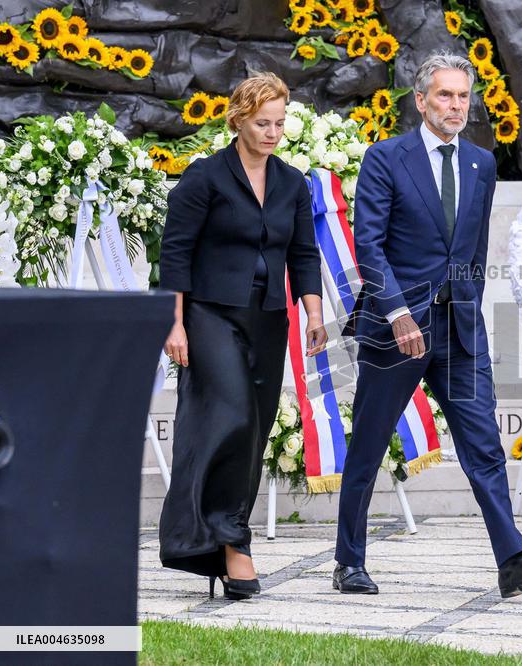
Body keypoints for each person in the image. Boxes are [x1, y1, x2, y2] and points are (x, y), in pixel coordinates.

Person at [334, 53, 522, 598]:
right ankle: (348, 562)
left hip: (459, 331)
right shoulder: (385, 158)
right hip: (396, 330)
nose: (456, 106)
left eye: (463, 96)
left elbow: (474, 250)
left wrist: (468, 306)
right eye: (445, 95)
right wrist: (397, 313)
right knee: (369, 444)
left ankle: (513, 561)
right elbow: (368, 245)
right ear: (421, 101)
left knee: (484, 445)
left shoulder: (481, 164)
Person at [157, 72, 328, 600]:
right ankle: (233, 542)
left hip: (269, 317)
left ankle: (223, 536)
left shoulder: (292, 183)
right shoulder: (205, 176)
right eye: (262, 124)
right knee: (232, 414)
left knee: (252, 430)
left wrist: (314, 314)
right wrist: (174, 322)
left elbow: (303, 253)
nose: (273, 133)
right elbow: (175, 252)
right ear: (238, 120)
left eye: (279, 123)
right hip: (209, 314)